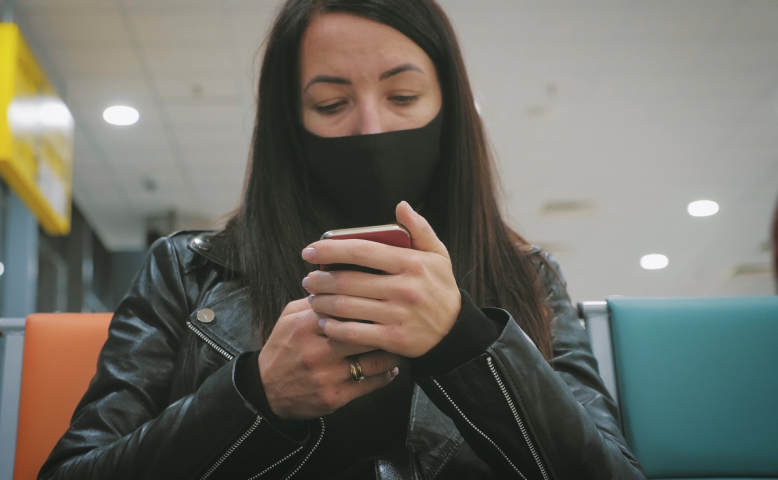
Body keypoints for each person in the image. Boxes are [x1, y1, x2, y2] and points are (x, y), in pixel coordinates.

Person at [40, 0, 646, 478]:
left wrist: (464, 341)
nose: (371, 128)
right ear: (290, 125)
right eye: (331, 103)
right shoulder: (187, 270)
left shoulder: (527, 276)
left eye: (403, 96)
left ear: (449, 108)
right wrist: (257, 396)